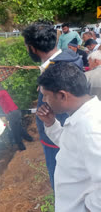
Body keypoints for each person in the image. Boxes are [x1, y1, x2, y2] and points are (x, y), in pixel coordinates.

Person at [22, 21, 83, 190]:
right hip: (65, 136)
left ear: (33, 48)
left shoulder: (55, 71)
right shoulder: (67, 59)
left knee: (63, 186)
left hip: (59, 140)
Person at [36, 62, 101, 212]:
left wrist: (89, 208)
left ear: (62, 95)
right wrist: (51, 123)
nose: (44, 101)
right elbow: (69, 146)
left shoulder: (90, 130)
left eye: (46, 95)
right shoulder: (82, 117)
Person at [0, 85, 33, 151]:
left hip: (13, 113)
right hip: (13, 113)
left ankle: (21, 147)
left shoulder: (2, 92)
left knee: (15, 131)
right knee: (19, 128)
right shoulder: (1, 96)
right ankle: (29, 139)